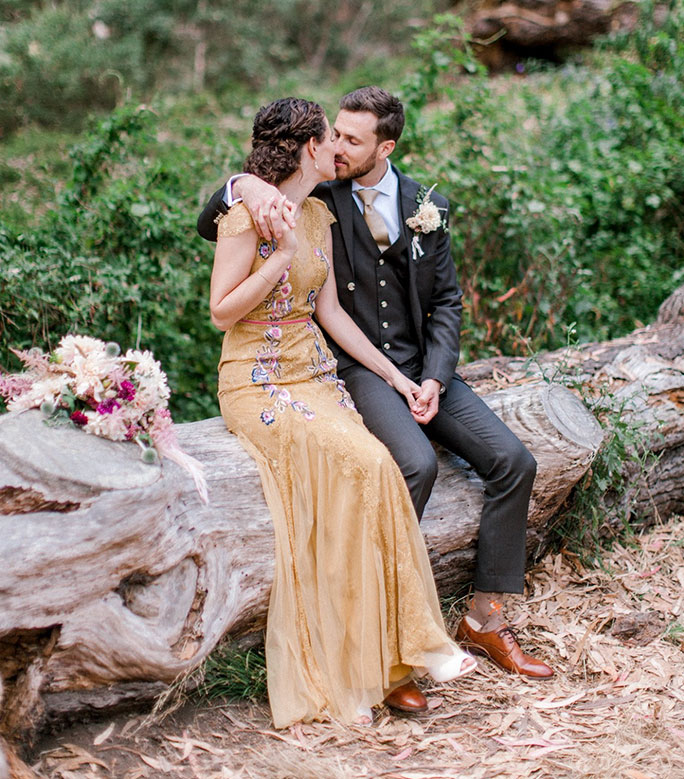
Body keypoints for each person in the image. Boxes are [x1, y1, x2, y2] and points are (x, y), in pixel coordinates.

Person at [199, 87, 555, 706]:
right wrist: (242, 185)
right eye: (331, 136)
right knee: (408, 464)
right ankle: (379, 636)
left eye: (352, 139)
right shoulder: (313, 195)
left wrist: (432, 378)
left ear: (384, 147)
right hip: (342, 371)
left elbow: (445, 302)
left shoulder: (426, 205)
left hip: (420, 368)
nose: (338, 147)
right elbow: (219, 218)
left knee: (515, 462)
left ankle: (484, 619)